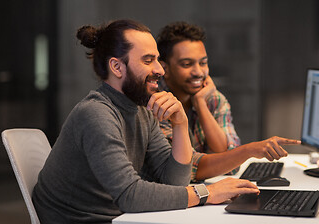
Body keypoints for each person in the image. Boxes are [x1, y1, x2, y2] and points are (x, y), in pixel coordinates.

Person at [32, 19, 260, 223]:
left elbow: (174, 181)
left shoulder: (141, 110)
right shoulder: (96, 114)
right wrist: (207, 193)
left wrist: (180, 123)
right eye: (148, 60)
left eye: (158, 60)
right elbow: (130, 195)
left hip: (118, 217)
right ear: (117, 67)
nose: (160, 70)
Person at [156, 21, 301, 182]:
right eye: (187, 64)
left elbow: (227, 158)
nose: (198, 72)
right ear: (165, 69)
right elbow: (187, 169)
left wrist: (200, 104)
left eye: (203, 63)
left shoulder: (212, 98)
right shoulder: (156, 105)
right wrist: (248, 150)